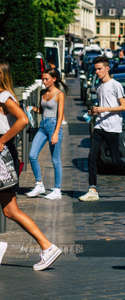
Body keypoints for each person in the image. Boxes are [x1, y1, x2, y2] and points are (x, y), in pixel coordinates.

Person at [0, 61, 62, 270]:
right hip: (3, 152)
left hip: (2, 155)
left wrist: (1, 141)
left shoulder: (4, 97)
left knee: (11, 210)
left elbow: (23, 120)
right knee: (10, 210)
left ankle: (47, 246)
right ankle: (46, 246)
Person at [79, 56, 125, 201]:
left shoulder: (116, 85)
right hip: (99, 125)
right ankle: (92, 190)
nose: (97, 72)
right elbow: (102, 105)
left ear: (107, 68)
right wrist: (94, 111)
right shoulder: (99, 87)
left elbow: (124, 107)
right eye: (95, 69)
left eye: (99, 69)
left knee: (115, 160)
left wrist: (103, 109)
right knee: (92, 157)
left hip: (113, 127)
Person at [26, 69, 66, 199]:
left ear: (54, 79)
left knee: (55, 160)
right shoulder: (42, 93)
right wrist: (32, 109)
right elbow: (42, 111)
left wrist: (55, 133)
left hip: (54, 126)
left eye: (46, 79)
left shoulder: (59, 94)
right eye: (42, 79)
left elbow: (60, 115)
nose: (43, 81)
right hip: (43, 126)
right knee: (32, 155)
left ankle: (57, 189)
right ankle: (39, 184)